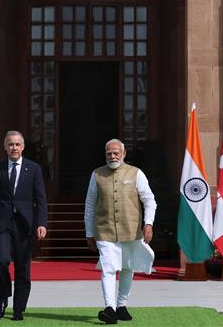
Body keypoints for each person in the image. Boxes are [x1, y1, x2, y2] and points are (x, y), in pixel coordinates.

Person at [85, 139, 157, 324]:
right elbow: (90, 204)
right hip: (105, 231)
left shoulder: (136, 173)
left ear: (124, 154)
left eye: (116, 153)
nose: (113, 156)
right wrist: (89, 232)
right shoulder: (97, 174)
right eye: (109, 153)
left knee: (127, 268)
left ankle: (121, 306)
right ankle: (109, 308)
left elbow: (149, 200)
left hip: (131, 230)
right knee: (108, 269)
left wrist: (148, 223)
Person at [0, 131, 48, 321]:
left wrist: (42, 223)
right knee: (1, 260)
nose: (14, 147)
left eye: (17, 144)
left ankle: (19, 308)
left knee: (22, 266)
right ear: (5, 147)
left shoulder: (34, 168)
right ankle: (4, 297)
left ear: (23, 147)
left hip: (24, 224)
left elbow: (41, 199)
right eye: (11, 144)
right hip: (1, 223)